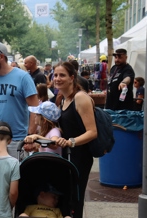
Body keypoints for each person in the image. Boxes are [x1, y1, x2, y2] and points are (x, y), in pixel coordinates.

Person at [0, 41, 39, 158]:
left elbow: (35, 109)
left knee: (16, 176)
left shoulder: (23, 77)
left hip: (17, 140)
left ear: (1, 56)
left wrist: (30, 136)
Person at [53, 61, 97, 218]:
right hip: (67, 156)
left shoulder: (80, 98)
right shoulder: (64, 100)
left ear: (72, 77)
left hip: (80, 157)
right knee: (66, 199)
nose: (57, 78)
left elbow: (92, 132)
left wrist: (71, 142)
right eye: (55, 75)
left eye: (62, 75)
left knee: (75, 201)